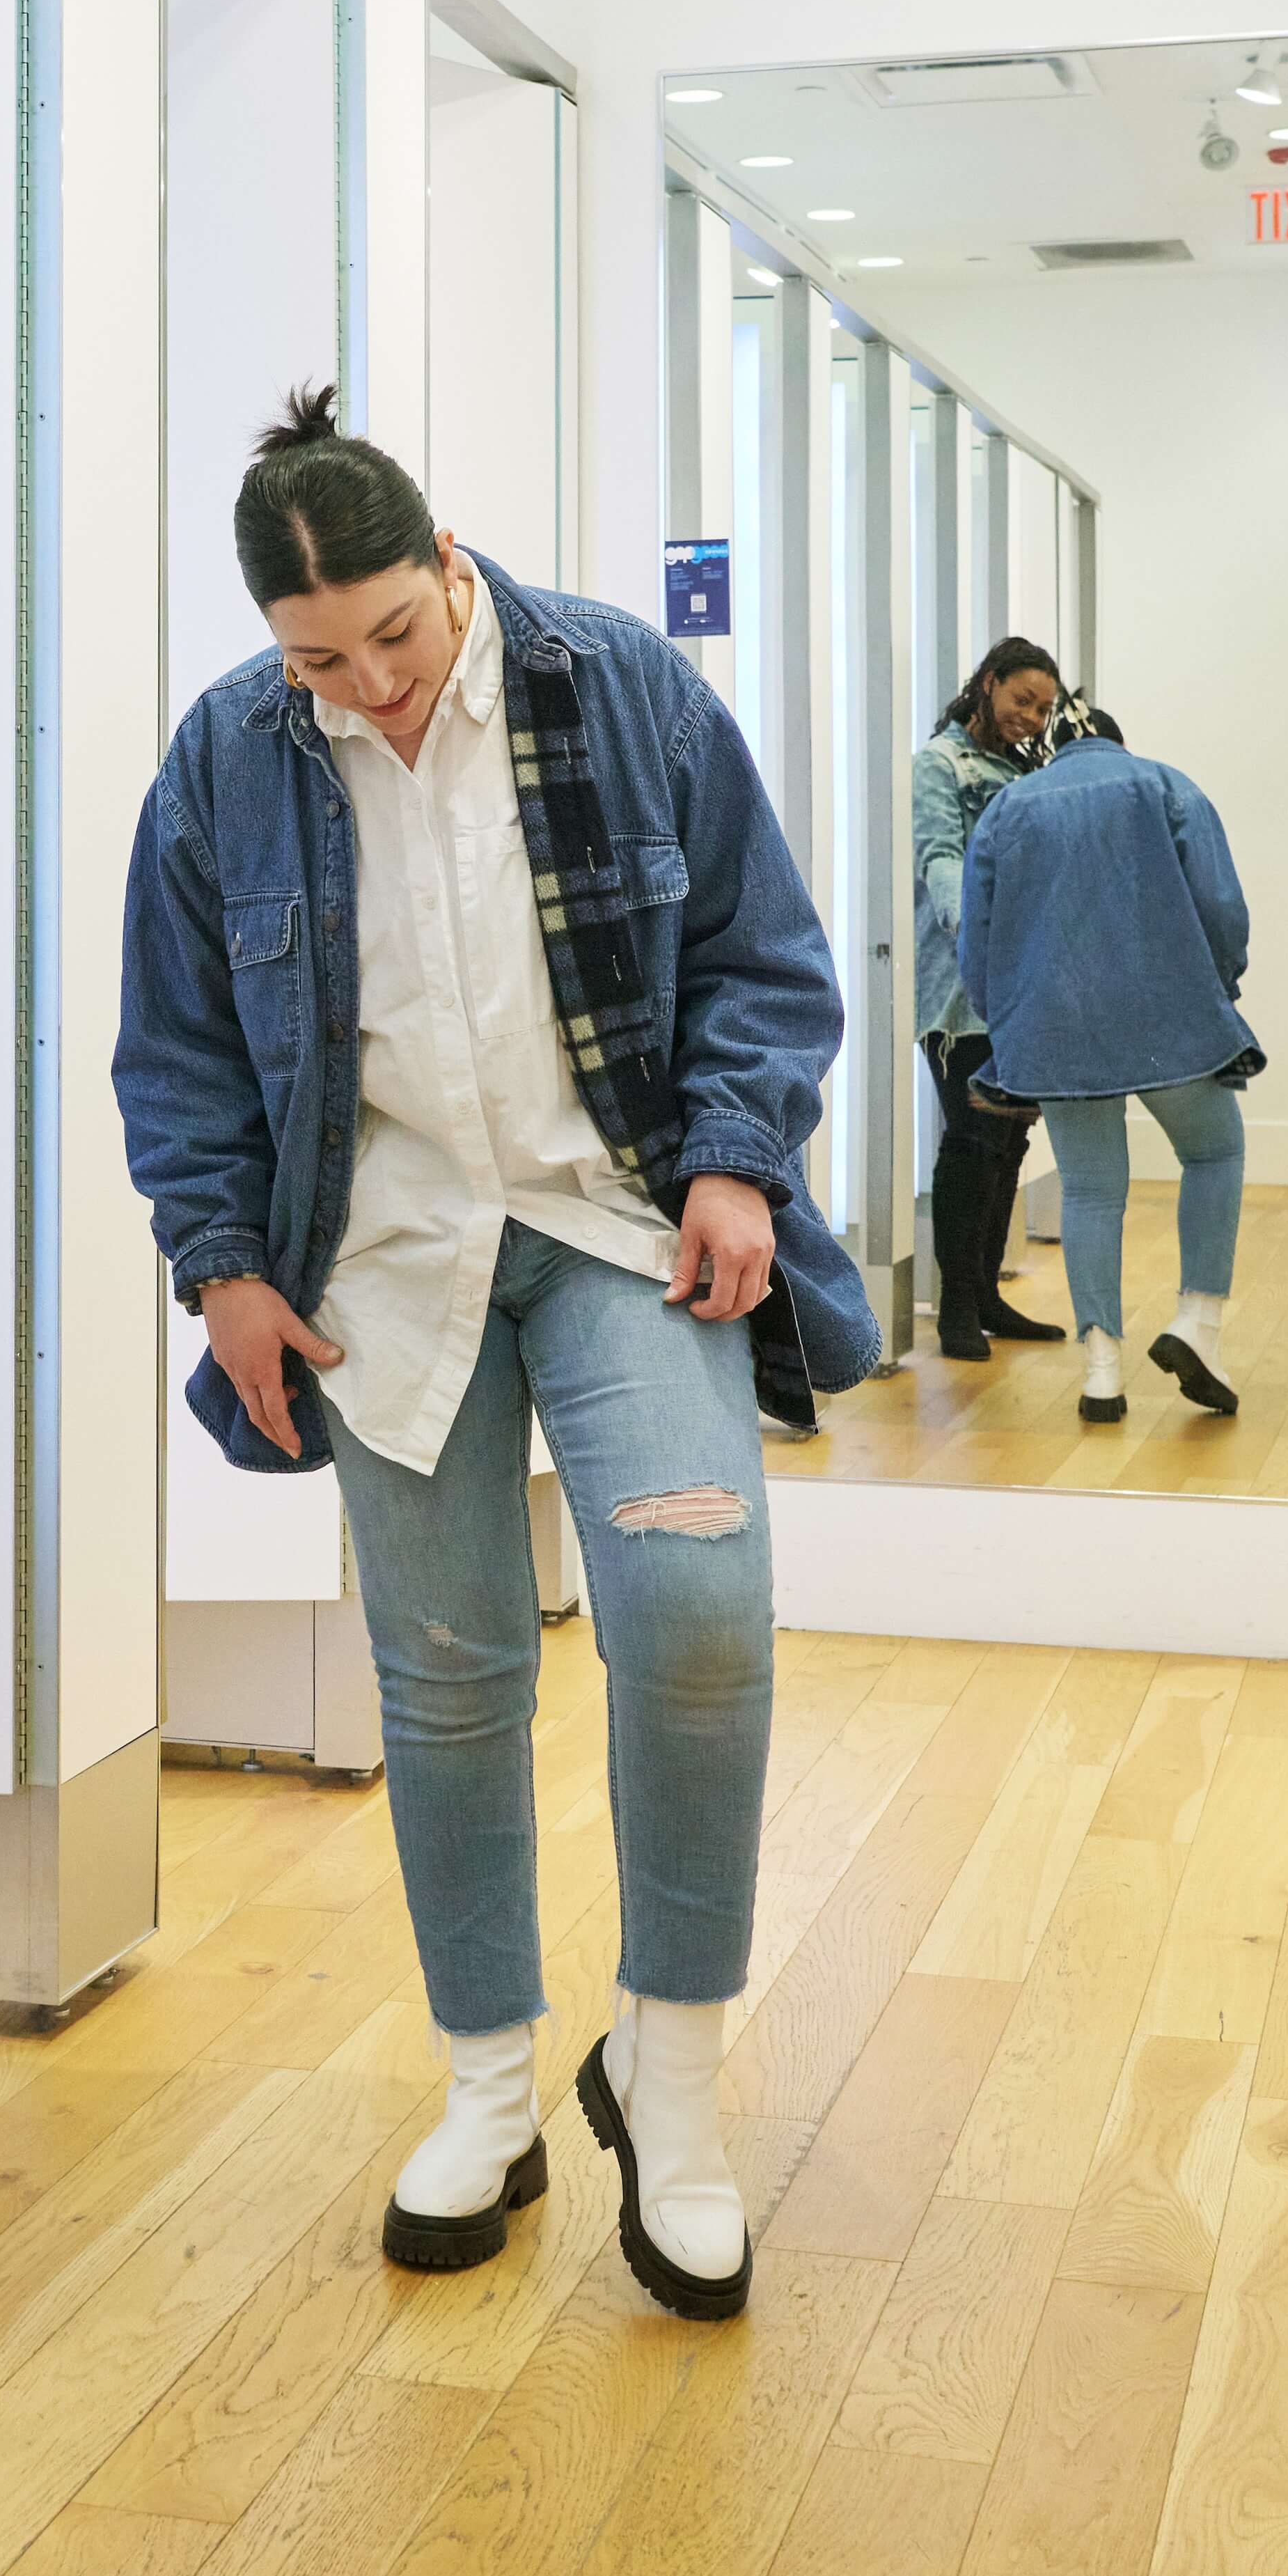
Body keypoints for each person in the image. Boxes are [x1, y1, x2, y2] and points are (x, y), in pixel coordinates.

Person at [114, 391, 878, 2327]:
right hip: (378, 1260)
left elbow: (767, 958)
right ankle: (487, 2089)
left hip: (617, 1225)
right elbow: (183, 1051)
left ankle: (673, 2082)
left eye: (394, 632)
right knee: (445, 1677)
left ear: (448, 566)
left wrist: (732, 1158)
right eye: (318, 657)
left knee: (697, 1616)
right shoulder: (223, 763)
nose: (365, 682)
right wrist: (221, 1272)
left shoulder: (618, 687)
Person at [959, 712, 1260, 1426]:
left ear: (1055, 751)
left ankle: (1100, 1370)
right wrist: (1218, 987)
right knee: (1214, 1152)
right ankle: (1198, 1324)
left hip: (1055, 1024)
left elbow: (979, 935)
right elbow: (1221, 905)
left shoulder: (1010, 805)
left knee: (1092, 1191)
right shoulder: (1164, 785)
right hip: (1166, 1009)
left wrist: (1006, 1020)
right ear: (1116, 742)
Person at [913, 638, 1070, 1358]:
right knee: (971, 1140)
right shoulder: (938, 765)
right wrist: (976, 939)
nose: (1032, 717)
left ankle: (985, 1297)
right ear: (987, 684)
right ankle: (953, 1310)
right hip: (959, 991)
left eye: (1043, 708)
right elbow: (940, 858)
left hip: (1023, 988)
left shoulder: (1024, 773)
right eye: (1022, 701)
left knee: (1009, 1139)